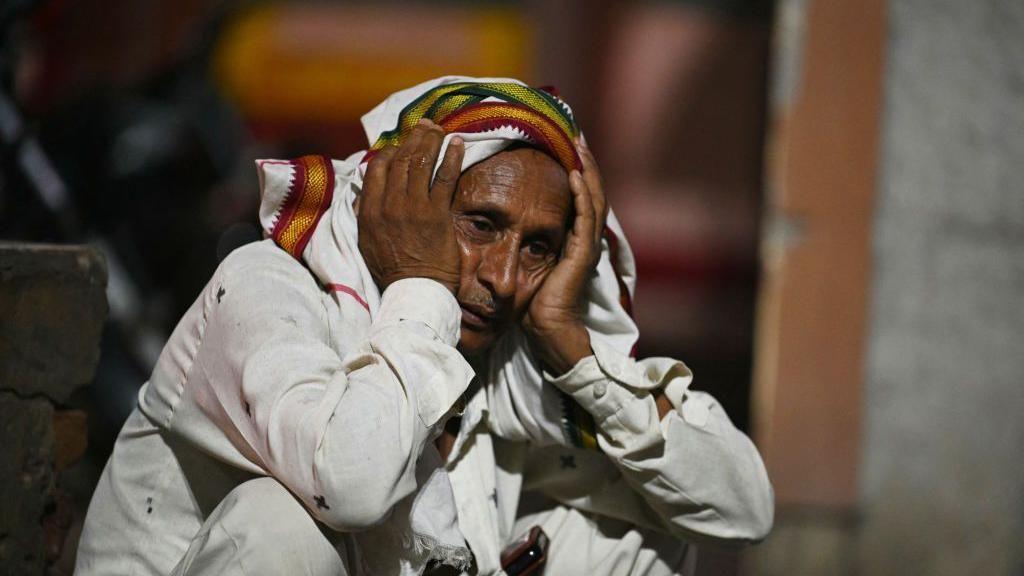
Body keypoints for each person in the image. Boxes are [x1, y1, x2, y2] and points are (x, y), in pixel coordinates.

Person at [74, 77, 773, 576]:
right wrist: (420, 285)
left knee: (642, 536)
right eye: (480, 224)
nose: (502, 276)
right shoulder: (269, 289)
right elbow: (351, 484)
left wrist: (575, 351)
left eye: (538, 247)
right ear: (397, 204)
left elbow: (740, 511)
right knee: (281, 529)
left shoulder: (510, 361)